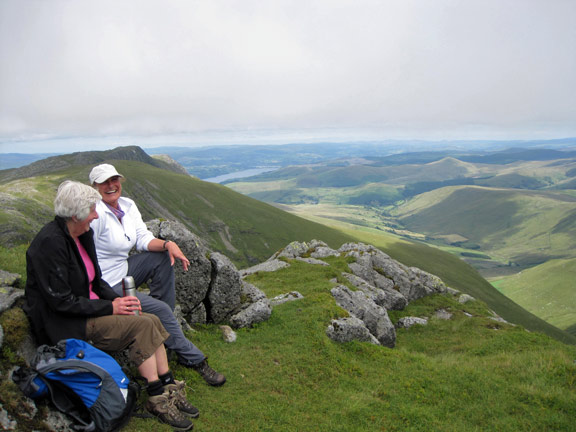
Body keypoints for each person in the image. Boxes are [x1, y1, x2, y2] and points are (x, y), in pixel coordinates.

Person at [24, 180, 197, 431]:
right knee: (141, 326)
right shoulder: (50, 244)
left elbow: (95, 280)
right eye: (92, 210)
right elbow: (60, 302)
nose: (96, 215)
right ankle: (156, 397)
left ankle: (169, 385)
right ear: (76, 215)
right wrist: (111, 308)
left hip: (90, 309)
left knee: (154, 319)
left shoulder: (82, 234)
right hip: (67, 323)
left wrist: (114, 299)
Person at [88, 163, 226, 386]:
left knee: (162, 257)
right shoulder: (95, 214)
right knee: (160, 309)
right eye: (104, 182)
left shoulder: (127, 205)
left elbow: (142, 237)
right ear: (94, 187)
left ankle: (161, 330)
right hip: (107, 284)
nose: (111, 186)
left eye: (114, 180)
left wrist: (168, 244)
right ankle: (194, 359)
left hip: (124, 270)